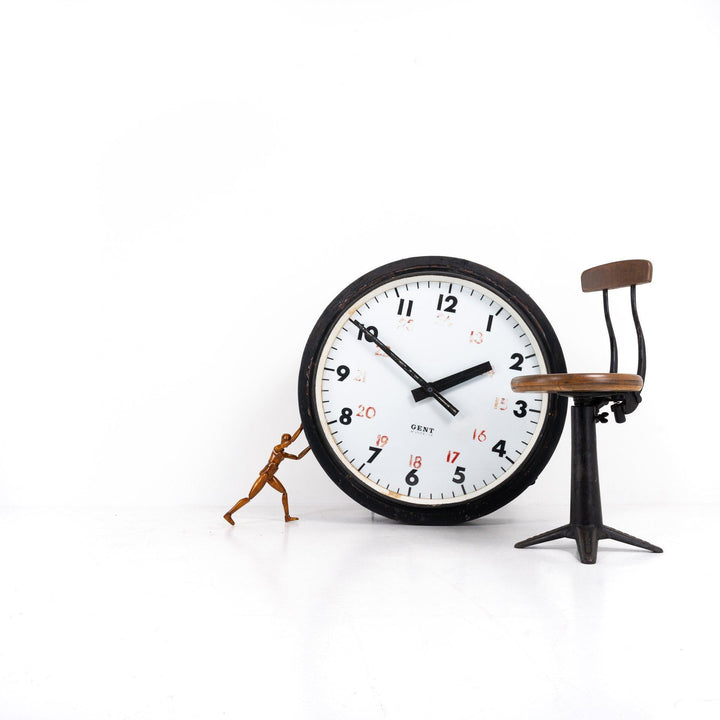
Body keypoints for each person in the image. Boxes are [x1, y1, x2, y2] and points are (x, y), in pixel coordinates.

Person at [223, 425, 310, 524]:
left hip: (270, 477)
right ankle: (228, 514)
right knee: (249, 497)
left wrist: (310, 446)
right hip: (265, 475)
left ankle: (287, 516)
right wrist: (301, 428)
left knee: (284, 493)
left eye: (288, 440)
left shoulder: (283, 454)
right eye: (286, 440)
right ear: (282, 441)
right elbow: (291, 441)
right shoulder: (276, 448)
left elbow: (298, 457)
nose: (287, 443)